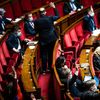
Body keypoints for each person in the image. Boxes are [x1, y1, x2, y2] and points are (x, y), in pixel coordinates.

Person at [34, 2, 59, 74]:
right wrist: (54, 7)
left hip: (43, 40)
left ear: (39, 13)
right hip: (52, 38)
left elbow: (36, 31)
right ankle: (50, 68)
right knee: (51, 53)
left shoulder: (36, 21)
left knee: (44, 54)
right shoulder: (50, 18)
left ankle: (44, 70)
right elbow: (58, 16)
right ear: (45, 12)